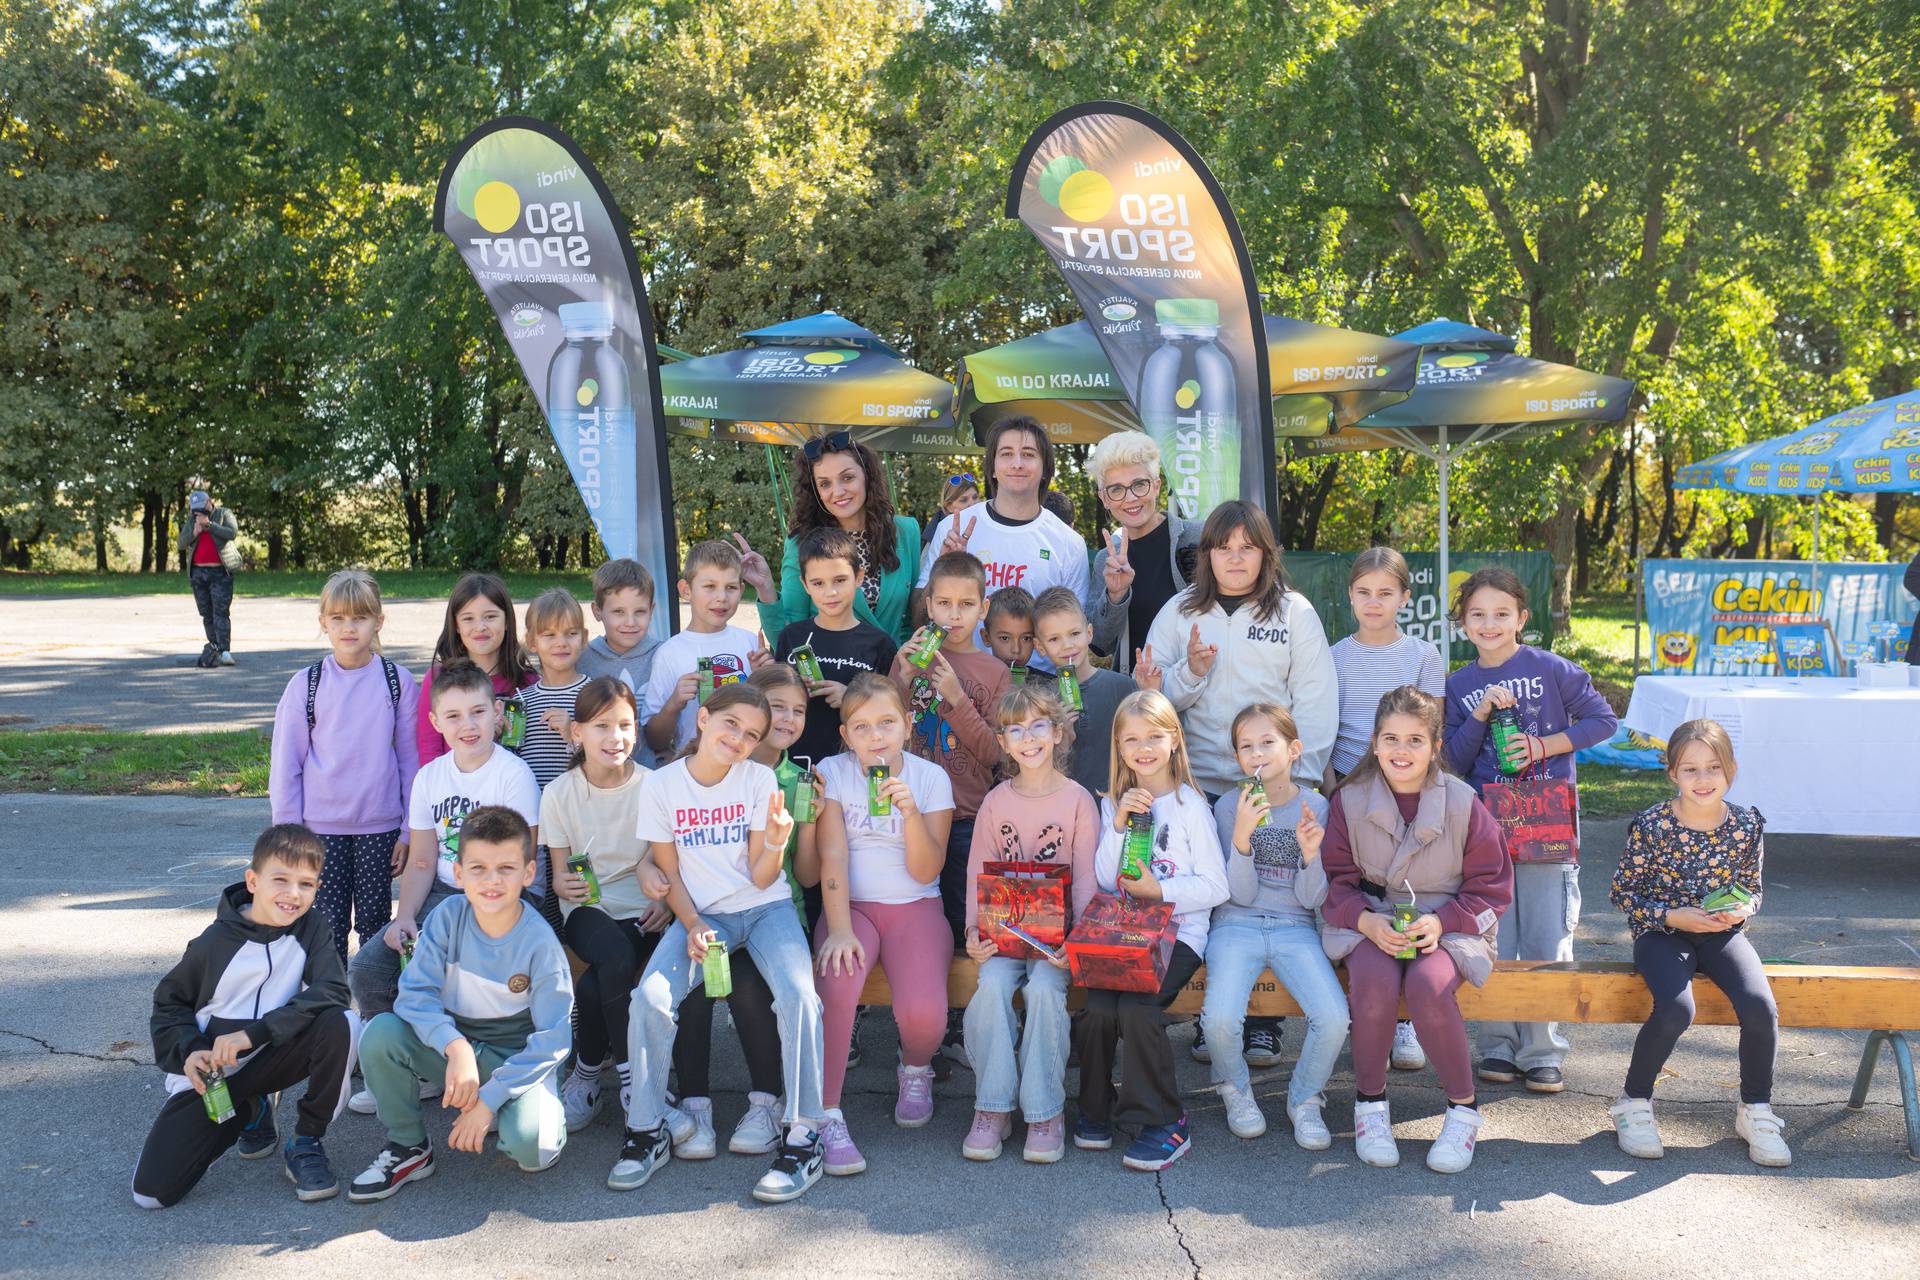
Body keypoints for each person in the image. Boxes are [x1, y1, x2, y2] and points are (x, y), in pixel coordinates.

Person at [611, 683, 827, 1205]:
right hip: (702, 915)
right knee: (650, 999)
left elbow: (761, 875)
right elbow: (668, 870)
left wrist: (776, 840)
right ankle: (647, 1129)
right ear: (704, 719)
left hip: (766, 908)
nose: (740, 739)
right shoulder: (662, 787)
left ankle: (804, 1135)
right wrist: (690, 924)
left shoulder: (758, 781)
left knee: (800, 996)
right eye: (731, 725)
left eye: (752, 735)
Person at [1144, 500, 1337, 1066]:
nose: (1234, 558)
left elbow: (1317, 702)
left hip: (1275, 784)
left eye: (1246, 547)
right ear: (1205, 555)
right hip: (1199, 785)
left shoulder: (1294, 613)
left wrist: (1294, 780)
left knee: (1274, 899)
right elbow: (1155, 701)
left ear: (1265, 554)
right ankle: (1211, 1017)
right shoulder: (1180, 613)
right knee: (1215, 904)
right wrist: (1191, 674)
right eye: (1222, 548)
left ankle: (1264, 1024)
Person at [1320, 686, 1513, 1174]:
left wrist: (1441, 921)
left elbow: (1492, 888)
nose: (1401, 752)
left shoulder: (1465, 802)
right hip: (1372, 916)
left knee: (1428, 986)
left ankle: (1464, 1110)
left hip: (1451, 920)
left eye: (1414, 740)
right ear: (1374, 743)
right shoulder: (1348, 801)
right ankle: (1370, 1105)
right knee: (1374, 981)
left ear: (1434, 745)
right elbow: (1332, 882)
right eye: (1390, 739)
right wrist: (1364, 920)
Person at [1442, 567, 1616, 1094]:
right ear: (1463, 624)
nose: (1489, 624)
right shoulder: (1459, 683)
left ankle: (1543, 1049)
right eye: (1477, 615)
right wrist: (1480, 715)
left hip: (1547, 823)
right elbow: (1452, 757)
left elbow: (1604, 722)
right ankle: (1498, 1044)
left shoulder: (1553, 669)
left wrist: (1543, 747)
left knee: (1545, 935)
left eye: (1501, 614)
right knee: (1492, 932)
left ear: (1521, 617)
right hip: (1486, 827)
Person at [348, 806, 572, 1200]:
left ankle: (509, 1103)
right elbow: (414, 994)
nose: (492, 881)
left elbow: (553, 1040)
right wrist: (455, 1047)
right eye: (479, 868)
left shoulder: (540, 944)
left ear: (528, 873)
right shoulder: (446, 917)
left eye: (506, 868)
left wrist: (490, 1099)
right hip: (458, 1048)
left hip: (512, 1053)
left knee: (534, 1149)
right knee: (380, 1033)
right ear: (458, 873)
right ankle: (409, 1145)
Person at [347, 661, 542, 1108]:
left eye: (477, 712)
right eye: (453, 716)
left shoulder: (513, 775)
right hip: (438, 896)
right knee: (370, 969)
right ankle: (402, 1070)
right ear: (435, 722)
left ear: (497, 712)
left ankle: (441, 1064)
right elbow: (421, 860)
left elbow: (521, 860)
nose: (467, 725)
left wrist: (444, 920)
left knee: (434, 969)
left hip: (499, 896)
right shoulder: (431, 777)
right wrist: (407, 917)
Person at [134, 824, 354, 1207]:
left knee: (342, 1022)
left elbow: (333, 989)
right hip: (216, 1075)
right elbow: (169, 1006)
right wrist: (189, 1051)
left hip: (271, 1053)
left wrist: (254, 1034)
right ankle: (252, 1109)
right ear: (253, 881)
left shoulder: (313, 926)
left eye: (306, 884)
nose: (293, 894)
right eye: (280, 880)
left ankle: (306, 1140)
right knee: (151, 1194)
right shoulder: (213, 943)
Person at [1608, 719, 1787, 1166]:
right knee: (1676, 1008)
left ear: (1731, 769)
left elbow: (1753, 889)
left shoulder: (1746, 824)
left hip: (1721, 933)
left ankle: (1755, 1109)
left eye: (1713, 768)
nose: (1703, 779)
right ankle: (1633, 1102)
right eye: (1690, 769)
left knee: (1760, 1006)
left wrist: (1740, 909)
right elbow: (1622, 893)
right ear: (1672, 773)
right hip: (1663, 933)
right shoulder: (1653, 824)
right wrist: (1670, 915)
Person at [1074, 690, 1229, 1172]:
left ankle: (1166, 1121)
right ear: (1118, 746)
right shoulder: (1114, 804)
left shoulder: (1190, 806)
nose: (1143, 748)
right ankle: (1095, 1110)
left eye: (1154, 737)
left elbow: (1215, 886)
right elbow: (1104, 877)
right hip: (1126, 932)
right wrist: (1118, 825)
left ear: (1174, 742)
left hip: (1178, 933)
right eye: (1132, 739)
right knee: (1098, 1008)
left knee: (1140, 1010)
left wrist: (1157, 890)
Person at [812, 675, 956, 1174]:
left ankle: (915, 1067)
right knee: (837, 982)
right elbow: (830, 857)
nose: (876, 736)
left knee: (924, 1015)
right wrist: (839, 929)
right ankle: (825, 1114)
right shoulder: (833, 772)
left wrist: (910, 812)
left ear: (908, 725)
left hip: (914, 903)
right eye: (863, 727)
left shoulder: (930, 777)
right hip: (850, 907)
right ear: (846, 734)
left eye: (887, 723)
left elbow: (925, 869)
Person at [960, 684, 1099, 1164]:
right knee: (993, 986)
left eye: (1038, 725)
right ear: (1003, 742)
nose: (1028, 738)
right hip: (1004, 934)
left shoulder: (1079, 801)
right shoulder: (997, 801)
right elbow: (980, 868)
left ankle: (1044, 1111)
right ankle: (993, 1106)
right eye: (1015, 729)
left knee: (1044, 991)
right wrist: (974, 932)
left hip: (1058, 940)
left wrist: (1078, 942)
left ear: (1058, 733)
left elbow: (1085, 878)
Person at [1202, 703, 1348, 1150]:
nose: (1257, 753)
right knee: (1220, 1020)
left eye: (1268, 742)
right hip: (1236, 923)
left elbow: (1311, 899)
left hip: (1294, 925)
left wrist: (1309, 855)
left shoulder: (1317, 806)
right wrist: (1242, 838)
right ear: (1237, 758)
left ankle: (1304, 1098)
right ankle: (1236, 1090)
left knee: (1334, 1017)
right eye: (1246, 746)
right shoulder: (1230, 805)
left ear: (1294, 749)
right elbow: (1239, 895)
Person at [1329, 546, 1445, 1073]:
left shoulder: (1422, 655)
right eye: (1363, 592)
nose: (1373, 603)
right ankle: (1358, 1010)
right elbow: (1325, 725)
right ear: (1349, 595)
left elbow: (1429, 729)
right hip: (1350, 791)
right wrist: (1333, 785)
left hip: (1405, 788)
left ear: (1404, 596)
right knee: (1354, 896)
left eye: (1385, 593)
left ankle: (1403, 1023)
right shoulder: (1333, 656)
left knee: (1400, 892)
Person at [269, 569, 419, 964]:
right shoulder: (307, 684)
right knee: (325, 923)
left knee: (375, 922)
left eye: (359, 618)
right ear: (323, 623)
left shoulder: (397, 681)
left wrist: (408, 830)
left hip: (381, 828)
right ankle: (329, 1009)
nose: (348, 627)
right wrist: (288, 833)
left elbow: (410, 759)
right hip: (319, 831)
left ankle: (376, 1008)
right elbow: (286, 765)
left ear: (378, 622)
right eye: (338, 619)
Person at [890, 552, 1010, 974]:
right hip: (910, 813)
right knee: (916, 918)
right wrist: (901, 679)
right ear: (928, 605)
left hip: (966, 817)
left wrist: (958, 700)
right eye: (943, 604)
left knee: (963, 918)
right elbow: (886, 732)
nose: (953, 615)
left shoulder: (995, 672)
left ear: (984, 608)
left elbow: (995, 753)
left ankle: (962, 1016)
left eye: (966, 605)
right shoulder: (910, 658)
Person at [740, 433, 923, 644]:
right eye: (825, 484)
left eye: (847, 478)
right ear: (815, 490)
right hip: (826, 674)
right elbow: (787, 636)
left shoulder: (906, 531)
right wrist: (765, 588)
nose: (838, 491)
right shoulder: (801, 543)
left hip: (890, 672)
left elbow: (911, 620)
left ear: (867, 476)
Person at [917, 416, 1089, 618]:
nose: (1017, 464)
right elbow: (918, 618)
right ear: (993, 468)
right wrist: (942, 569)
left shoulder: (1070, 543)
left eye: (1028, 454)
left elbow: (1072, 631)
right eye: (1007, 453)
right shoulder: (953, 529)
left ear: (1045, 469)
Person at [773, 527, 899, 771]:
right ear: (805, 585)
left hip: (857, 768)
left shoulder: (879, 644)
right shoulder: (793, 637)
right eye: (818, 583)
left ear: (859, 577)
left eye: (840, 580)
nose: (830, 592)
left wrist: (851, 699)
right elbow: (776, 702)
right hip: (797, 765)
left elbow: (891, 713)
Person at [1084, 431, 1200, 677]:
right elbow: (1100, 644)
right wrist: (1116, 595)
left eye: (1139, 484)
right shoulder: (1107, 560)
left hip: (1199, 690)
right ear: (1104, 498)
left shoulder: (1198, 537)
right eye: (1116, 489)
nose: (1131, 498)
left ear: (1156, 486)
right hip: (1137, 699)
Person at [641, 539, 770, 756]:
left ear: (741, 590)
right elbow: (654, 739)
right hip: (692, 772)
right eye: (710, 587)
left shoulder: (750, 643)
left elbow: (768, 717)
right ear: (686, 590)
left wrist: (763, 678)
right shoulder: (669, 653)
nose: (721, 597)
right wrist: (674, 703)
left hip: (745, 767)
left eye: (730, 588)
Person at [517, 587, 591, 922]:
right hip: (535, 822)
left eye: (570, 634)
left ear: (584, 638)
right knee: (542, 902)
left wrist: (573, 734)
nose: (561, 642)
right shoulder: (520, 701)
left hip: (580, 817)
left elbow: (608, 757)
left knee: (580, 898)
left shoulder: (593, 695)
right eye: (549, 635)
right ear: (531, 642)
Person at [415, 573, 537, 766]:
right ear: (456, 625)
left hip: (510, 791)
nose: (480, 627)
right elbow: (428, 749)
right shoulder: (439, 678)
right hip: (451, 792)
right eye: (468, 618)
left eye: (490, 617)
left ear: (506, 621)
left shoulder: (528, 682)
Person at [1031, 586, 1139, 798]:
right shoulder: (1040, 702)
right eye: (1054, 639)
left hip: (1118, 810)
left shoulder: (1123, 687)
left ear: (1089, 633)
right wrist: (1062, 738)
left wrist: (1150, 693)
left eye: (1074, 634)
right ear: (1039, 647)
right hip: (1066, 812)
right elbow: (1036, 771)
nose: (1067, 645)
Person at [577, 558, 664, 764]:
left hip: (650, 776)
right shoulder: (583, 659)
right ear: (597, 611)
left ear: (651, 611)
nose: (630, 622)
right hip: (598, 777)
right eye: (618, 612)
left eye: (640, 612)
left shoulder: (663, 655)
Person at [178, 488, 240, 666]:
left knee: (221, 611)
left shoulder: (223, 513)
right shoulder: (192, 520)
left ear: (209, 502)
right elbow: (181, 544)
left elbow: (231, 532)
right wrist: (194, 532)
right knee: (206, 613)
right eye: (195, 510)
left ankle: (225, 651)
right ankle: (214, 648)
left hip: (220, 572)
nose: (198, 514)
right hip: (198, 573)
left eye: (201, 509)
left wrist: (210, 526)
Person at [984, 585, 1038, 673]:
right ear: (986, 637)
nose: (1016, 650)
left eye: (1026, 638)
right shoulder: (970, 682)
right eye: (1005, 638)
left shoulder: (1047, 683)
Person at [924, 472, 980, 546]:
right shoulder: (936, 533)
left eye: (975, 497)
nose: (972, 504)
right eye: (963, 500)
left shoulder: (987, 522)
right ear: (948, 506)